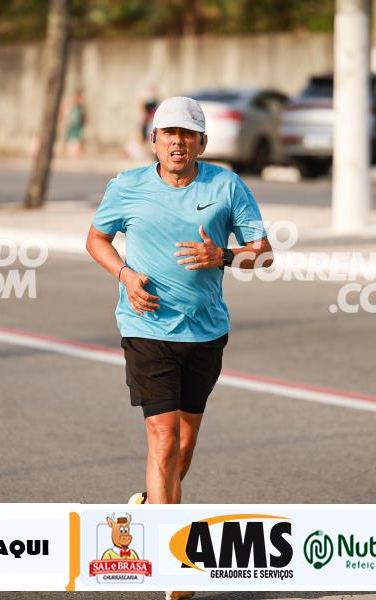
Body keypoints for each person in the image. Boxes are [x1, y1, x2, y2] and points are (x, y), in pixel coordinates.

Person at [86, 96, 273, 501]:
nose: (178, 142)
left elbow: (264, 253)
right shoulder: (127, 187)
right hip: (146, 326)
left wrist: (223, 256)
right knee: (164, 438)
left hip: (205, 332)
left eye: (187, 134)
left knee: (183, 446)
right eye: (169, 133)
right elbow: (97, 239)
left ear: (202, 143)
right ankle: (162, 534)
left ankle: (150, 504)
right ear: (153, 140)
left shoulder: (227, 186)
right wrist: (125, 275)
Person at [64, 90, 86, 159]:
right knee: (71, 147)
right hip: (71, 131)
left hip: (77, 131)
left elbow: (84, 119)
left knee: (76, 147)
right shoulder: (70, 108)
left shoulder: (81, 109)